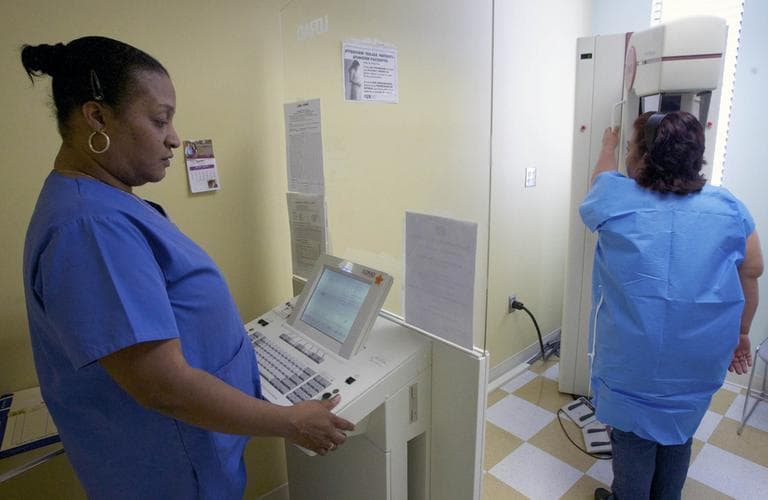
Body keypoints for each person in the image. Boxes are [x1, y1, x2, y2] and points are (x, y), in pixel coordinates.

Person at [20, 36, 353, 499]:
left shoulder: (103, 202)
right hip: (170, 470)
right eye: (160, 120)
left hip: (183, 452)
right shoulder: (90, 227)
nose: (175, 137)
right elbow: (163, 387)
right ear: (96, 117)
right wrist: (289, 422)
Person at [580, 111, 763, 500]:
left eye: (631, 146)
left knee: (633, 441)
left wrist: (607, 146)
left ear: (642, 156)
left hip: (634, 365)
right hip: (695, 363)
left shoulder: (614, 195)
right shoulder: (728, 208)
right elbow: (753, 270)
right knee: (679, 435)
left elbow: (598, 178)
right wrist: (742, 332)